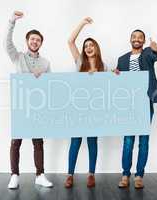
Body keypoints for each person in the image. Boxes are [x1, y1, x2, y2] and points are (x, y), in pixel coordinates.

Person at [5, 11, 53, 189]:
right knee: (16, 141)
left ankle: (40, 174)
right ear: (27, 41)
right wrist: (12, 22)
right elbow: (7, 43)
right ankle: (14, 175)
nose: (35, 42)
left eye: (38, 40)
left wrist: (43, 80)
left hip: (38, 107)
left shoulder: (46, 63)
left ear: (41, 43)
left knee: (38, 142)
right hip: (20, 105)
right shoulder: (18, 57)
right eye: (32, 39)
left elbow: (50, 86)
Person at [64, 17, 107, 188]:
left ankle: (91, 174)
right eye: (86, 46)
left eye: (91, 45)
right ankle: (70, 175)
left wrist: (116, 74)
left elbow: (109, 87)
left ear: (96, 48)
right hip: (78, 108)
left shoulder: (104, 65)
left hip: (94, 110)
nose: (88, 47)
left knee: (92, 141)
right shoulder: (79, 62)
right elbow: (70, 41)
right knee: (75, 141)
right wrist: (82, 23)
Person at [117, 29, 157, 189]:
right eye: (134, 37)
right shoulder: (122, 59)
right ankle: (125, 174)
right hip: (129, 104)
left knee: (143, 141)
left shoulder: (148, 54)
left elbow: (156, 56)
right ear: (130, 39)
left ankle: (139, 175)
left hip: (145, 102)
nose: (137, 39)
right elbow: (119, 82)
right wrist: (116, 74)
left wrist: (155, 49)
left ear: (143, 41)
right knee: (128, 140)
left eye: (140, 37)